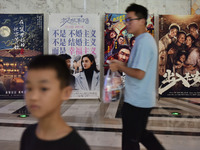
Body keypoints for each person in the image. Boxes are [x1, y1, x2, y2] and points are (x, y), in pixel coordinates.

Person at [109, 3, 165, 150]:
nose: (127, 23)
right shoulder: (140, 40)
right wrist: (121, 64)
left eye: (130, 20)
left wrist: (120, 66)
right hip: (137, 99)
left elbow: (139, 74)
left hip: (137, 101)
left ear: (142, 20)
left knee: (130, 140)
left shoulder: (144, 42)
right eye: (126, 20)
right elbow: (136, 69)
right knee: (140, 135)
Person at [20, 55, 90, 150]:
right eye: (29, 88)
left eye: (44, 88)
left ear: (66, 93)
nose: (33, 97)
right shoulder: (28, 134)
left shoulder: (76, 145)